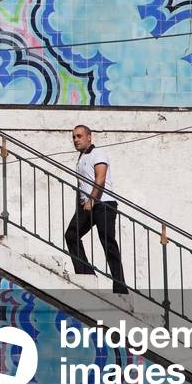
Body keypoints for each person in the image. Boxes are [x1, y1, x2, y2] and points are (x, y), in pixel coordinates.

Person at [64, 125, 129, 293]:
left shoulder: (98, 153)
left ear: (89, 137)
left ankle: (120, 286)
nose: (76, 140)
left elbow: (100, 179)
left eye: (79, 136)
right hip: (87, 205)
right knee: (71, 235)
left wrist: (91, 199)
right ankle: (86, 273)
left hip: (103, 204)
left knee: (108, 242)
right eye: (73, 137)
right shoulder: (81, 158)